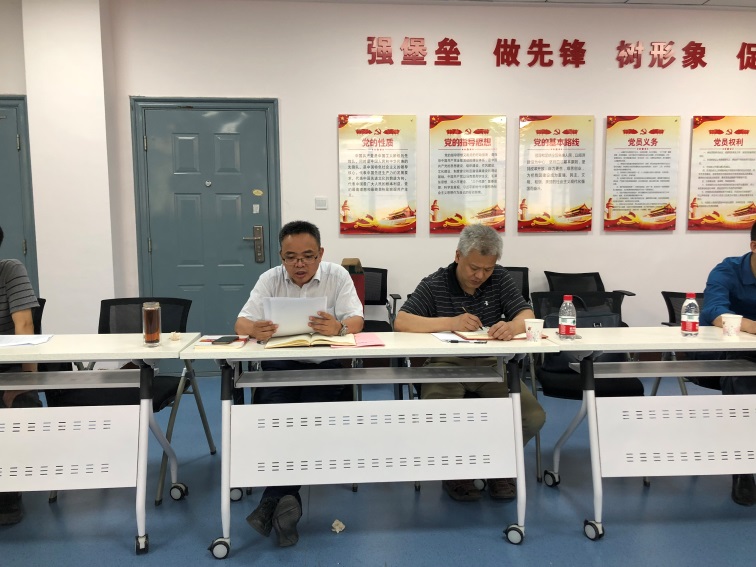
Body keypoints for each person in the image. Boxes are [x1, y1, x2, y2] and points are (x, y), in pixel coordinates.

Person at [234, 220, 364, 547]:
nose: (299, 264)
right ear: (281, 256)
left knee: (307, 420)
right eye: (290, 257)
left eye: (308, 256)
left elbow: (357, 319)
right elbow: (240, 322)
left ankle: (272, 501)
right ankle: (286, 503)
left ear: (321, 253)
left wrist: (340, 328)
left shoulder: (337, 276)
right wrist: (254, 329)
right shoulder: (270, 279)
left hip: (325, 364)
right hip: (280, 363)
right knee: (277, 419)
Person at [394, 224, 545, 502]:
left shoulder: (499, 278)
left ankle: (497, 463)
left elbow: (526, 314)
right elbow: (401, 321)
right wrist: (450, 322)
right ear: (458, 256)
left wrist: (512, 327)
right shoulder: (435, 283)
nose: (480, 276)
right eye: (474, 268)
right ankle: (456, 470)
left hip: (490, 365)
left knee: (532, 416)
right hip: (444, 365)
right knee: (439, 416)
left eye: (487, 269)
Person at [701, 220, 756, 506]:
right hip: (727, 354)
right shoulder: (728, 270)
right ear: (754, 246)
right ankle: (743, 468)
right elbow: (714, 310)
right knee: (742, 378)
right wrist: (751, 326)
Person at [0, 225, 40, 525]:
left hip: (9, 369)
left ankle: (7, 495)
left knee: (18, 407)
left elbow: (24, 327)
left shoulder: (10, 271)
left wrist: (25, 382)